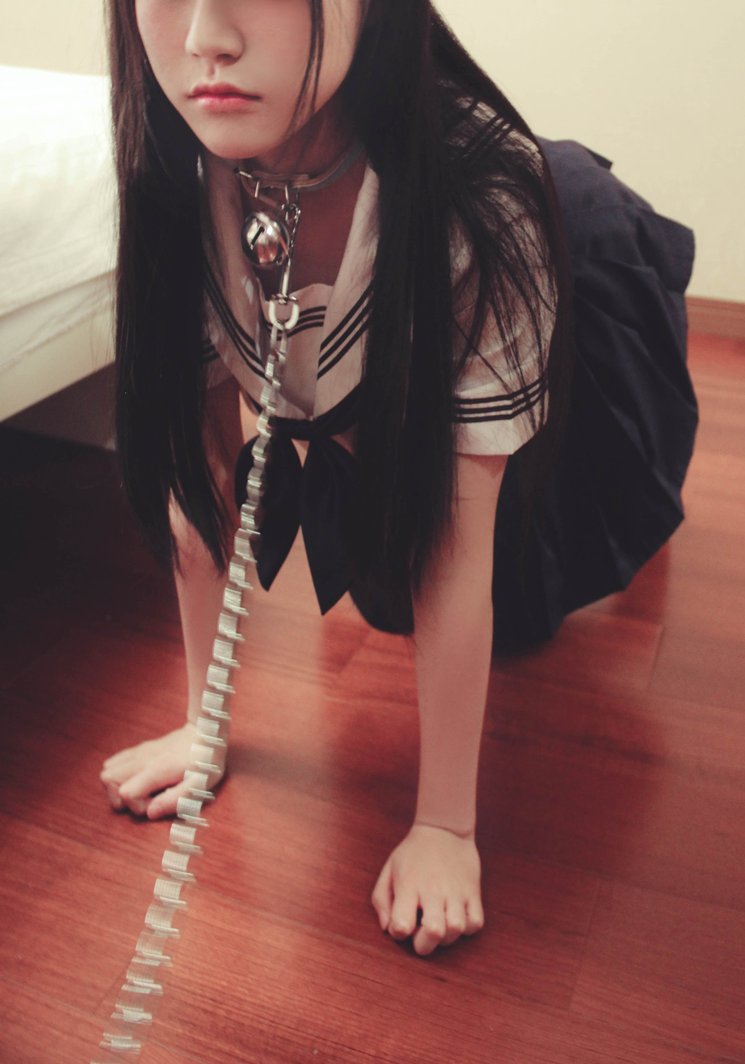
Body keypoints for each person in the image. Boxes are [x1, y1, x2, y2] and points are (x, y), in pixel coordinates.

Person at [100, 0, 696, 958]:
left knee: (537, 583)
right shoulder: (176, 164)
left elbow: (456, 544)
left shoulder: (484, 200)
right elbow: (203, 478)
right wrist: (204, 727)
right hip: (367, 406)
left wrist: (445, 826)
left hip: (574, 266)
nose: (205, 36)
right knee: (388, 573)